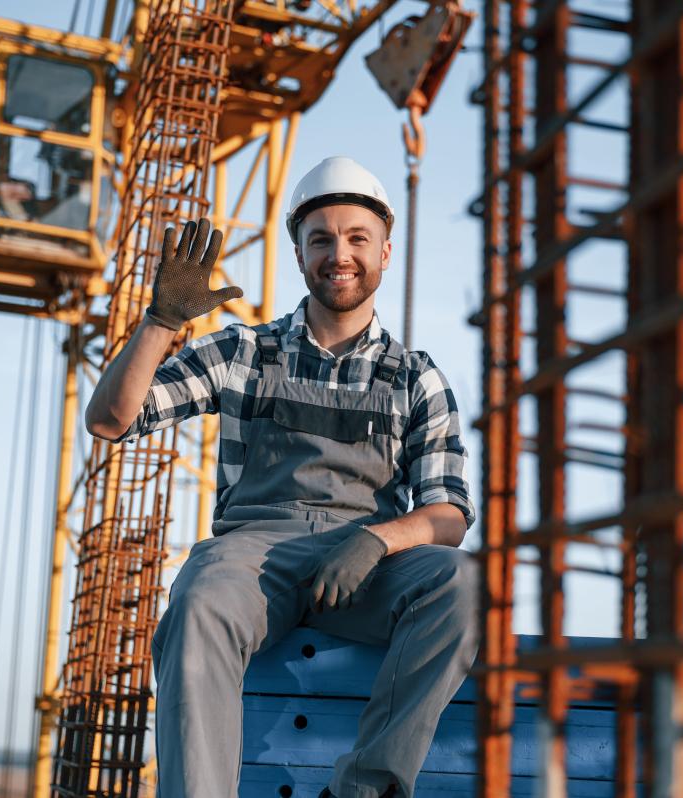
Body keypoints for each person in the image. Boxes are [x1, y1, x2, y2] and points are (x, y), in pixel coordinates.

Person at [85, 156, 480, 798]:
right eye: (320, 238)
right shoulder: (243, 351)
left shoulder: (417, 378)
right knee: (198, 604)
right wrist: (160, 325)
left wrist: (377, 540)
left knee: (465, 585)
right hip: (253, 559)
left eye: (356, 237)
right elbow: (111, 420)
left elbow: (449, 513)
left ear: (385, 250)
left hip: (365, 565)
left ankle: (363, 790)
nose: (339, 254)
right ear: (298, 253)